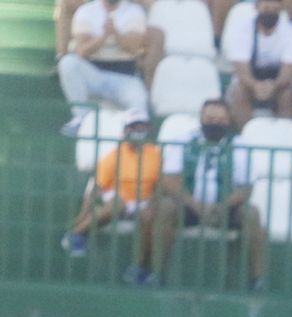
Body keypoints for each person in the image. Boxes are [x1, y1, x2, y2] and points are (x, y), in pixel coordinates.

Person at [142, 99, 268, 291]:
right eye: (210, 118)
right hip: (187, 207)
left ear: (228, 121)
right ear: (201, 119)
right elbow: (169, 180)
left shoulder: (240, 146)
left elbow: (246, 188)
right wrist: (195, 205)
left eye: (220, 119)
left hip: (225, 209)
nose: (215, 123)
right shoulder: (183, 141)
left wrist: (223, 206)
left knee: (252, 214)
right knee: (166, 208)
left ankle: (258, 280)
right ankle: (157, 274)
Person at [60, 109, 159, 259]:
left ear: (148, 128)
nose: (137, 131)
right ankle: (77, 233)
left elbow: (161, 184)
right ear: (126, 130)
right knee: (117, 203)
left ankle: (141, 268)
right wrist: (83, 214)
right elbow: (97, 187)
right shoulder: (115, 155)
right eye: (133, 127)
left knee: (151, 213)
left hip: (144, 202)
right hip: (120, 200)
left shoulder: (156, 154)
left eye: (141, 127)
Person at [57, 0, 149, 137]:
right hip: (94, 72)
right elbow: (82, 51)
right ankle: (82, 118)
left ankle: (135, 138)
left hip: (124, 76)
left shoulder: (134, 11)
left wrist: (116, 33)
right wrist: (103, 36)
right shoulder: (86, 11)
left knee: (139, 95)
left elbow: (134, 48)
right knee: (68, 63)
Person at [224, 0, 292, 129]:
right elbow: (241, 68)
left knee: (286, 95)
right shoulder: (242, 30)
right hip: (249, 81)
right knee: (239, 92)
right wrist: (255, 86)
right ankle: (246, 135)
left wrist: (273, 86)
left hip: (279, 82)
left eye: (274, 5)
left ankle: (284, 137)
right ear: (256, 7)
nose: (270, 8)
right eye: (266, 5)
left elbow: (288, 71)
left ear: (281, 8)